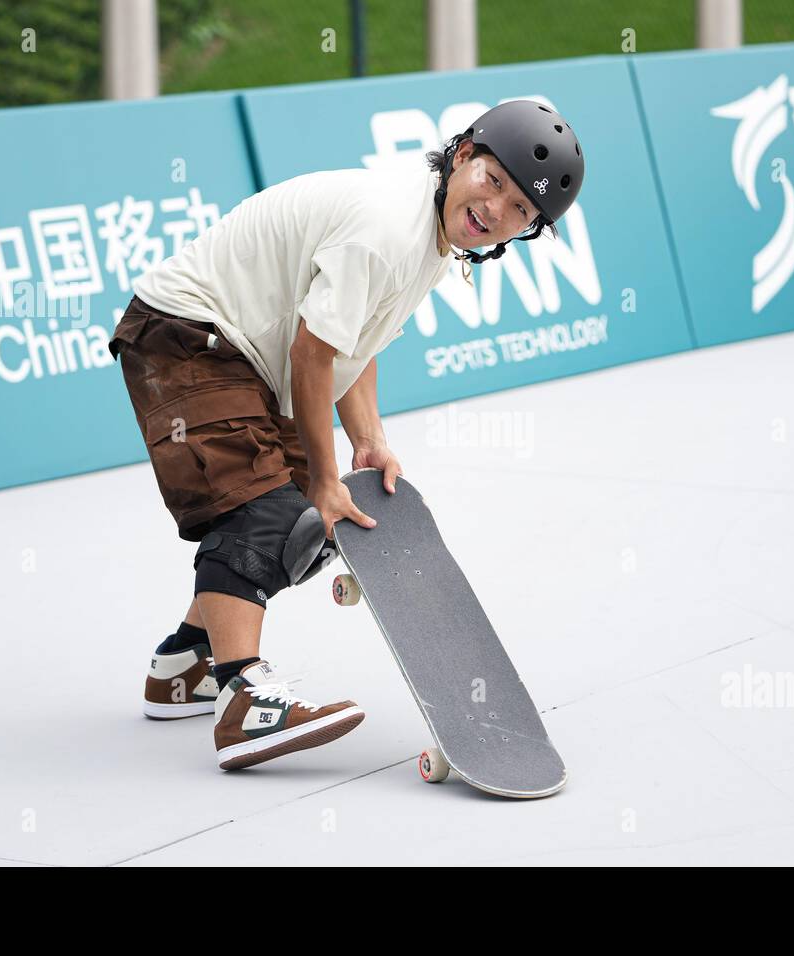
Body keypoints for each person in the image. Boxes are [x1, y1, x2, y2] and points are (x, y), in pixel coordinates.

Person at [109, 99, 585, 771]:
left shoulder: (431, 236)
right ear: (462, 155)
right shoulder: (388, 226)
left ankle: (187, 663)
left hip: (240, 355)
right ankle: (242, 699)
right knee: (267, 510)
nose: (494, 209)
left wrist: (368, 441)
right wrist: (327, 478)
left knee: (306, 524)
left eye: (519, 210)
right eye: (493, 180)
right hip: (186, 335)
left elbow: (352, 342)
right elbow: (312, 354)